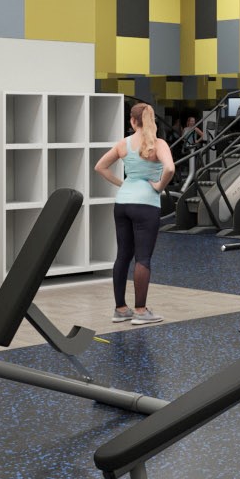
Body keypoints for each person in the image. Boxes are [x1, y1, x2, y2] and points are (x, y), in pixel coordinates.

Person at [95, 102, 174, 325]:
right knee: (143, 258)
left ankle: (121, 309)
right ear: (152, 120)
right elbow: (169, 168)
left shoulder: (124, 143)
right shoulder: (158, 144)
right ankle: (140, 311)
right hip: (146, 204)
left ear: (132, 121)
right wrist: (159, 186)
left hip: (123, 203)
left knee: (123, 255)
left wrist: (122, 184)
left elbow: (100, 166)